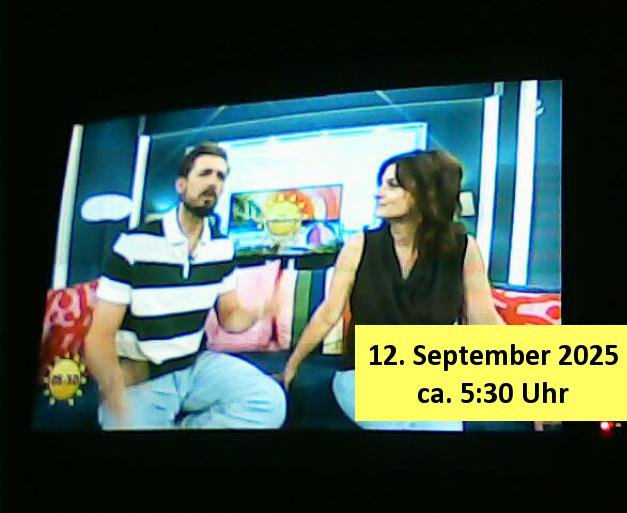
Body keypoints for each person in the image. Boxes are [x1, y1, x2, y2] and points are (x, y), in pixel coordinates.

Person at [277, 149, 505, 431]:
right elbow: (328, 313)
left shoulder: (463, 248)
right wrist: (292, 366)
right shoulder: (359, 245)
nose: (378, 193)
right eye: (381, 184)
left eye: (392, 185)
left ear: (424, 194)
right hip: (363, 374)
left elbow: (485, 320)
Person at [84, 142, 287, 430]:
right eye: (205, 173)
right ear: (181, 185)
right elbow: (98, 338)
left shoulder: (222, 247)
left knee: (270, 402)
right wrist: (114, 391)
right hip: (145, 377)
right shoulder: (134, 245)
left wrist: (260, 311)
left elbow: (230, 318)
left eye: (221, 176)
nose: (214, 183)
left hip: (195, 366)